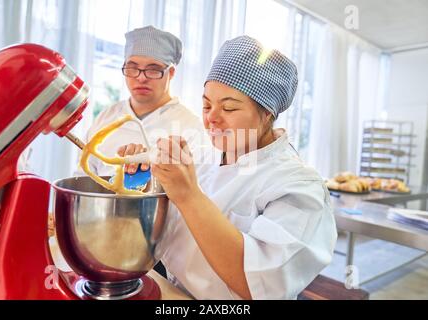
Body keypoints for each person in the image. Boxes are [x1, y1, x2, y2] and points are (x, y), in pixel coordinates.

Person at [120, 36, 337, 300]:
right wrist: (139, 180)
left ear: (267, 113)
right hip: (172, 291)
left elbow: (258, 284)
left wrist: (189, 196)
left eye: (229, 107)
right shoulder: (202, 156)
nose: (211, 117)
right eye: (206, 105)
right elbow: (155, 224)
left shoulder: (298, 187)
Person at [79, 25, 205, 177]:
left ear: (170, 73)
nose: (141, 77)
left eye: (153, 69)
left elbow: (194, 191)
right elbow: (82, 177)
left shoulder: (190, 126)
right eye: (132, 68)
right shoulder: (106, 118)